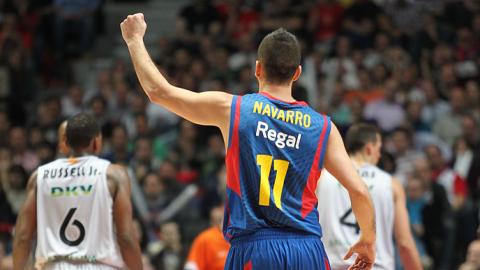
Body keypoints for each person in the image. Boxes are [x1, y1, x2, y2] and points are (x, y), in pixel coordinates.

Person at [121, 13, 376, 270]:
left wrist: (134, 40)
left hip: (255, 248)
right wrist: (367, 239)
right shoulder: (324, 127)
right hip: (307, 250)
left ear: (258, 68)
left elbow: (159, 92)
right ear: (297, 73)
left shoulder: (234, 110)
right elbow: (359, 191)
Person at [12, 113, 143, 269]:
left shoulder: (39, 176)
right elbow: (126, 236)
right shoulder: (113, 175)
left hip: (55, 265)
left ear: (66, 142)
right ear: (96, 141)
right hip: (99, 264)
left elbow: (22, 237)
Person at [317, 123, 422, 269]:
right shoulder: (391, 185)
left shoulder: (321, 178)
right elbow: (404, 243)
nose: (379, 155)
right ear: (369, 149)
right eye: (379, 149)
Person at [184, 204, 230, 270]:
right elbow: (191, 266)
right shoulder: (205, 238)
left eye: (220, 219)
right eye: (216, 221)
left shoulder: (243, 238)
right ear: (211, 222)